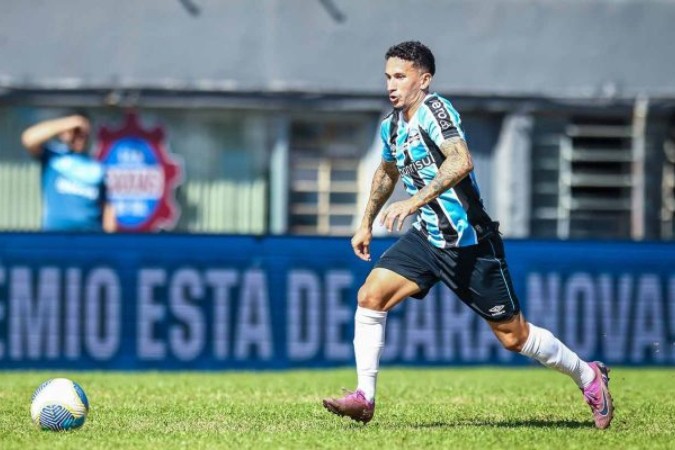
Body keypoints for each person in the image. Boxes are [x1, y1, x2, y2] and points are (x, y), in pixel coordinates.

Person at [322, 41, 613, 429]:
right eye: (388, 76)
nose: (391, 85)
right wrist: (365, 222)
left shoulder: (435, 110)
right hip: (427, 239)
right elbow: (387, 172)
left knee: (515, 337)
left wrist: (413, 202)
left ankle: (589, 376)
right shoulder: (390, 126)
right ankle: (364, 397)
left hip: (470, 243)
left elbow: (461, 160)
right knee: (370, 296)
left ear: (424, 80)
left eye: (400, 76)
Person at [21, 112, 116, 232]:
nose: (78, 137)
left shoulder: (96, 168)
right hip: (55, 237)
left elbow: (107, 207)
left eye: (82, 134)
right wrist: (69, 123)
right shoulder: (53, 157)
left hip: (90, 238)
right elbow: (28, 139)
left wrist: (109, 239)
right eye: (74, 133)